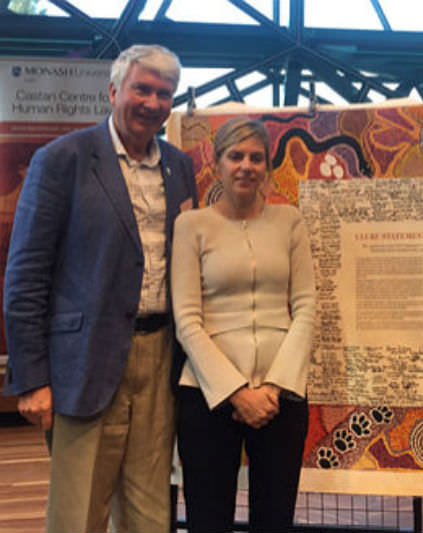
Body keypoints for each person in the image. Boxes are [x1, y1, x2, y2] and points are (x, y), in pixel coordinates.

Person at [2, 44, 197, 532]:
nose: (152, 102)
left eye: (164, 93)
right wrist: (32, 378)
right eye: (142, 89)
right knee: (78, 510)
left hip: (160, 358)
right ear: (113, 91)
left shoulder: (179, 167)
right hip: (84, 362)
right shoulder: (62, 160)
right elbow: (26, 274)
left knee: (150, 509)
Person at [171, 117, 316, 533]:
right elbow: (187, 319)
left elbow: (305, 306)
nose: (246, 166)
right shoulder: (191, 226)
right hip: (207, 394)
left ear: (268, 166)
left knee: (275, 519)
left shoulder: (290, 221)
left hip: (281, 395)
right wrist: (235, 392)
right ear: (218, 163)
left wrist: (273, 387)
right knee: (208, 518)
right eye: (236, 156)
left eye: (256, 157)